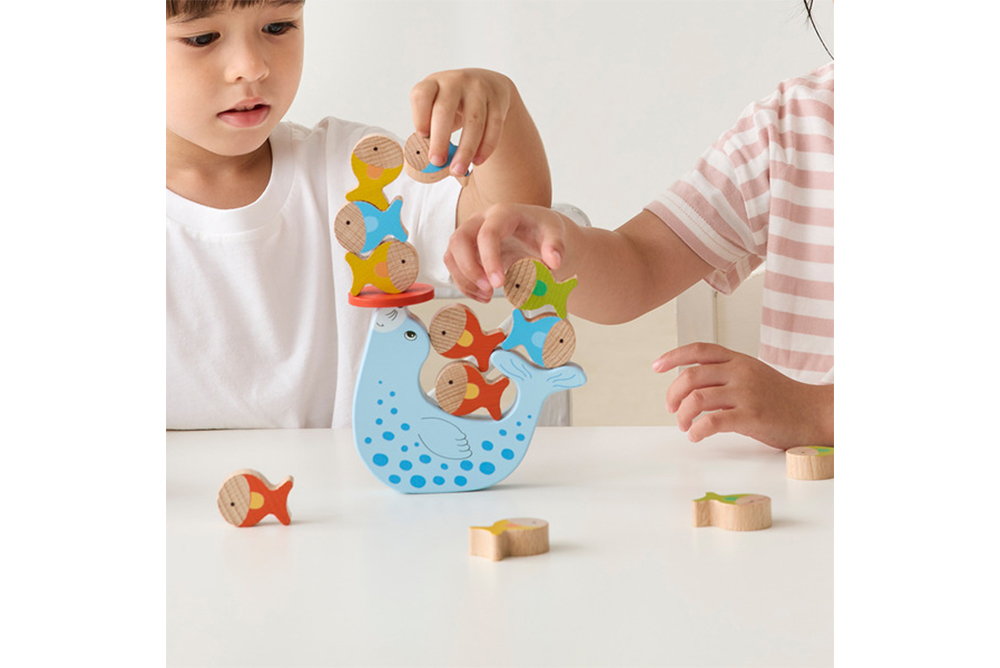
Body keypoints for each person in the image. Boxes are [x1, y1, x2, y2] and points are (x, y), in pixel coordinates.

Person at [166, 0, 550, 429]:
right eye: (202, 38)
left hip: (345, 470)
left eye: (277, 27)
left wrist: (502, 109)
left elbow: (512, 230)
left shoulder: (361, 172)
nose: (252, 67)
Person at [445, 61, 834, 450]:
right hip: (796, 481)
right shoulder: (792, 125)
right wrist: (554, 248)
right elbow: (641, 264)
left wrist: (815, 412)